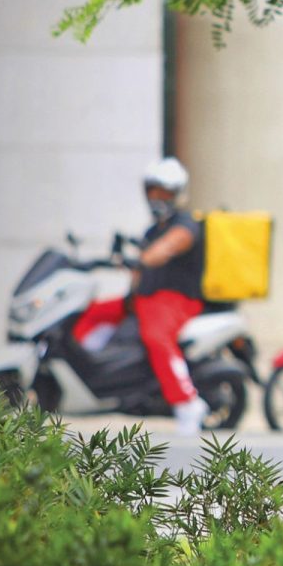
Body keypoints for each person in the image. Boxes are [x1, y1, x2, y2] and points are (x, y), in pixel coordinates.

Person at [73, 157, 211, 434]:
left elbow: (167, 248)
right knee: (88, 313)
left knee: (156, 337)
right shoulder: (152, 229)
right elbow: (139, 271)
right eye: (153, 191)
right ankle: (91, 373)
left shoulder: (187, 224)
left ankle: (187, 402)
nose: (158, 197)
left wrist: (143, 259)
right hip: (143, 300)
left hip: (175, 301)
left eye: (165, 192)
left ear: (177, 193)